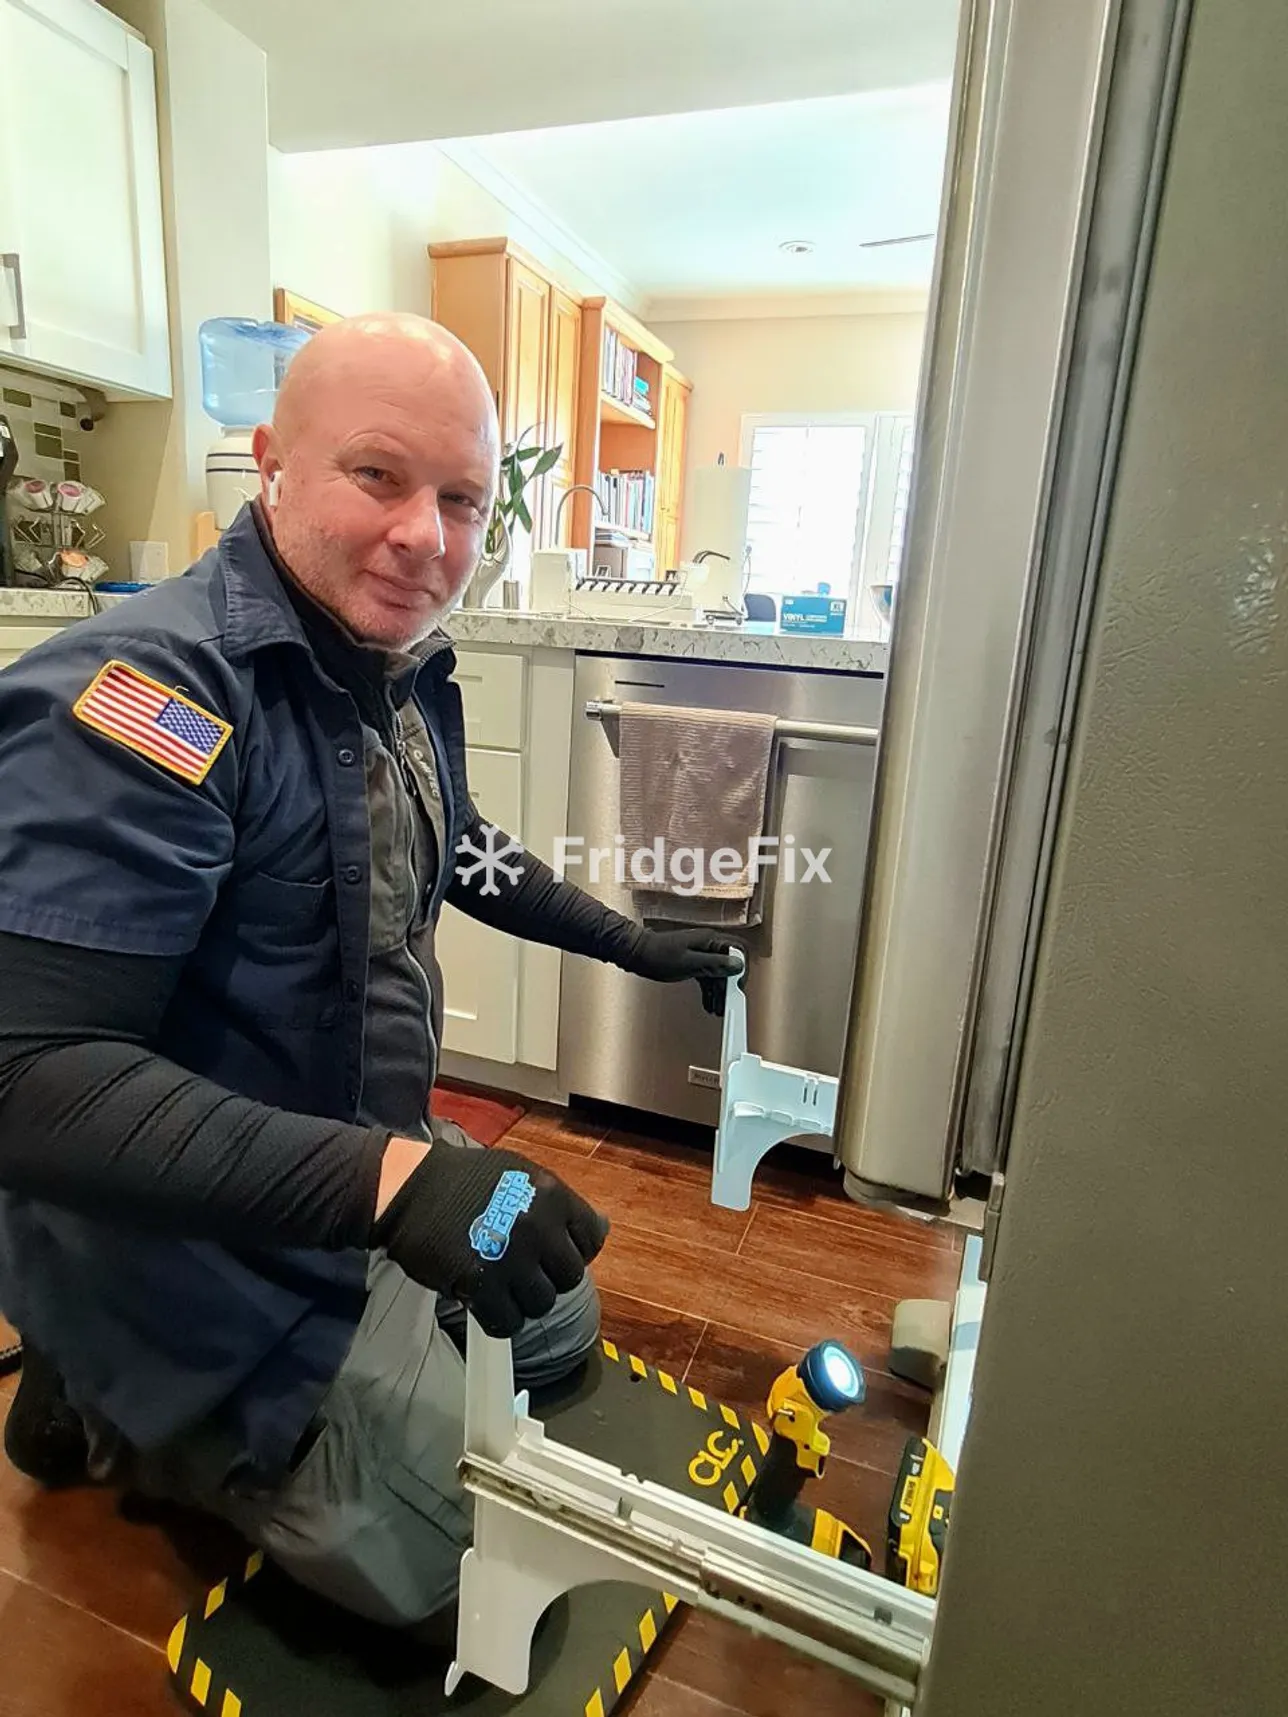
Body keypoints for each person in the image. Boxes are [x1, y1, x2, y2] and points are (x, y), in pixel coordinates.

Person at [0, 313, 739, 1628]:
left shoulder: (381, 666)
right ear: (271, 461)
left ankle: (100, 1371)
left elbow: (457, 843)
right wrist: (403, 1183)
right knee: (450, 1570)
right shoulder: (142, 701)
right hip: (200, 1241)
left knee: (558, 1321)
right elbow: (30, 1081)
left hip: (331, 1163)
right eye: (378, 476)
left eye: (461, 499)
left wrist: (633, 942)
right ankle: (120, 1385)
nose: (427, 537)